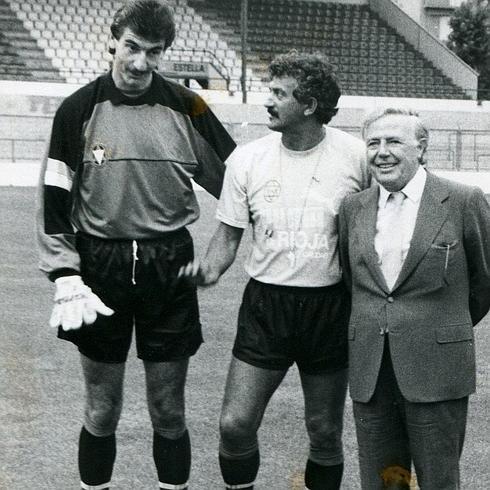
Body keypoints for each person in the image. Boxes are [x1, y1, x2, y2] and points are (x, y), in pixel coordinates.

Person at [36, 1, 236, 489]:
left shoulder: (189, 106)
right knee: (102, 409)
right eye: (131, 48)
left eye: (154, 52)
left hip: (168, 263)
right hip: (99, 264)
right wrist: (65, 273)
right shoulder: (78, 109)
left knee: (169, 410)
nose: (140, 63)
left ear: (165, 53)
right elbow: (55, 198)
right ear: (113, 40)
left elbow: (238, 184)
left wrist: (218, 256)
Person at [180, 52, 370, 490]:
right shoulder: (246, 160)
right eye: (271, 91)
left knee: (324, 430)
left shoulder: (355, 157)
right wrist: (207, 270)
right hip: (267, 306)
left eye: (279, 94)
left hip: (329, 306)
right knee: (234, 424)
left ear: (309, 105)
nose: (269, 102)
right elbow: (227, 237)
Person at [338, 108, 490, 489]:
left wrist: (437, 325)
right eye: (373, 142)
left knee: (439, 481)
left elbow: (484, 280)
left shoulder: (462, 200)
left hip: (437, 369)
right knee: (383, 482)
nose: (382, 152)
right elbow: (349, 281)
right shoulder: (353, 208)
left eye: (394, 142)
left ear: (422, 148)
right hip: (372, 371)